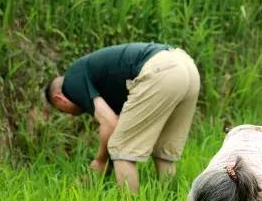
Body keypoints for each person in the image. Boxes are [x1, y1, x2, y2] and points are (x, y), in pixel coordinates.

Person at [44, 42, 200, 192]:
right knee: (163, 152)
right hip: (186, 66)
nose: (69, 115)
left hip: (161, 69)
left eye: (62, 110)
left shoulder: (71, 82)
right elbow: (117, 124)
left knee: (121, 150)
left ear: (59, 99)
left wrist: (100, 161)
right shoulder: (106, 84)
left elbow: (110, 124)